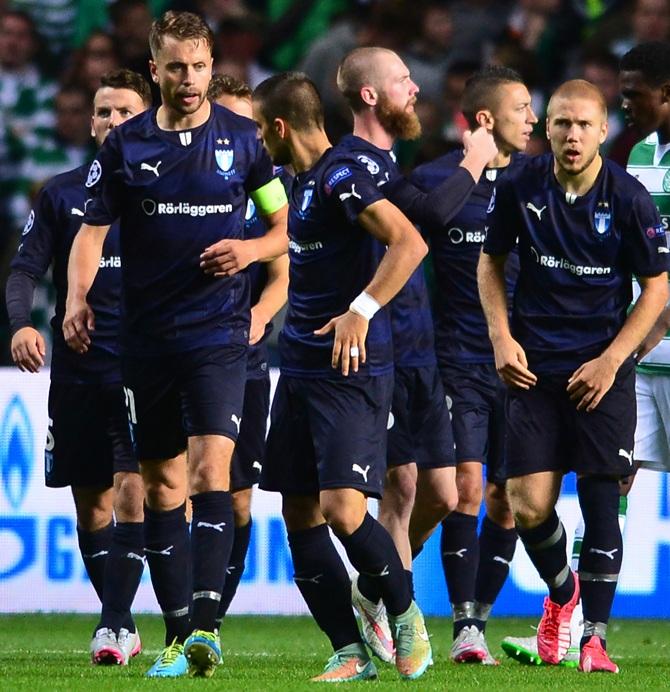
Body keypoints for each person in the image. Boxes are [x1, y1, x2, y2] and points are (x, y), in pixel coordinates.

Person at [62, 11, 288, 680]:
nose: (188, 79)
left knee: (210, 470)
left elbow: (282, 228)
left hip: (217, 335)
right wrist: (76, 299)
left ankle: (209, 629)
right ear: (155, 68)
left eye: (198, 66)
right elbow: (89, 234)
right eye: (175, 67)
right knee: (162, 485)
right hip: (145, 341)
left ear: (210, 65)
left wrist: (248, 248)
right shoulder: (124, 146)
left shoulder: (245, 141)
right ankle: (177, 633)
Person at [478, 78, 669, 674]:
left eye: (585, 124)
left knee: (601, 502)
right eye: (562, 122)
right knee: (527, 504)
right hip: (534, 369)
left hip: (601, 371)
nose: (572, 135)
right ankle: (564, 594)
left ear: (603, 130)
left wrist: (614, 361)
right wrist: (501, 337)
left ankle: (594, 641)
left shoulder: (630, 198)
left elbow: (658, 285)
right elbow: (491, 261)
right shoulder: (518, 186)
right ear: (548, 127)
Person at [252, 71, 432, 682]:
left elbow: (410, 243)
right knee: (298, 511)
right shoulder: (294, 181)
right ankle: (349, 651)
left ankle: (405, 615)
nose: (256, 142)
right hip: (300, 366)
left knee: (344, 509)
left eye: (258, 130)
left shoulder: (339, 176)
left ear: (279, 127)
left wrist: (360, 311)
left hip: (350, 370)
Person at [334, 46, 496, 664]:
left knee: (446, 494)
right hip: (386, 352)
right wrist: (474, 163)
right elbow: (423, 222)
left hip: (422, 348)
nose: (414, 90)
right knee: (399, 493)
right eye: (402, 81)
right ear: (370, 95)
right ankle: (399, 628)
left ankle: (378, 582)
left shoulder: (390, 163)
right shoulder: (353, 165)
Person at [5, 68, 151, 664]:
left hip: (142, 368)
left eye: (124, 113)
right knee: (90, 503)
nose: (112, 122)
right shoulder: (60, 194)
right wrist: (19, 323)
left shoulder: (165, 197)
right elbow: (22, 270)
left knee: (133, 491)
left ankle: (113, 624)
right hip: (76, 372)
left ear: (145, 120)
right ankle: (120, 619)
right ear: (91, 122)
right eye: (103, 112)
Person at [409, 65, 537, 665]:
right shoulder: (437, 182)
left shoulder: (541, 183)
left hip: (527, 364)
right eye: (521, 108)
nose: (533, 120)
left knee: (507, 497)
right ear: (485, 120)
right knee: (464, 487)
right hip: (456, 359)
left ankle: (479, 618)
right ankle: (462, 626)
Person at [206, 73, 290, 632]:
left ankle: (211, 620)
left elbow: (282, 272)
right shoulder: (184, 181)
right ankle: (182, 620)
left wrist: (257, 318)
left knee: (237, 503)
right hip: (185, 352)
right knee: (188, 489)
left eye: (248, 124)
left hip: (248, 361)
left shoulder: (269, 188)